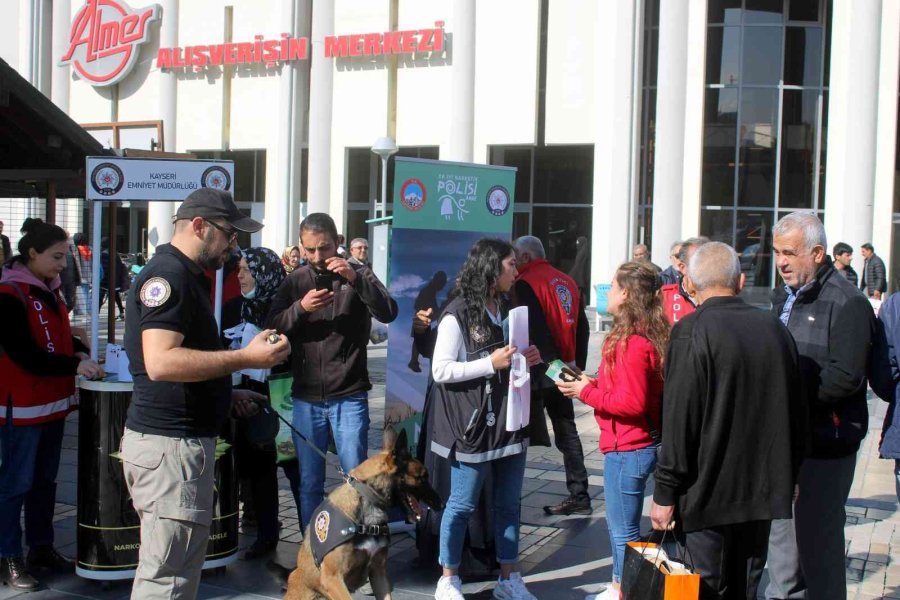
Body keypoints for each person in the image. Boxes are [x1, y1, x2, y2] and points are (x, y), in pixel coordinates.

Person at [121, 188, 290, 599]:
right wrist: (243, 358)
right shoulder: (170, 276)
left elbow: (177, 361)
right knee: (167, 578)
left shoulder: (183, 275)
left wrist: (223, 393)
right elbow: (161, 361)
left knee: (176, 572)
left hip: (177, 446)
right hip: (169, 449)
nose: (234, 246)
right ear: (199, 226)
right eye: (229, 234)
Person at [650, 242, 806, 600]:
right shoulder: (775, 330)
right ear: (740, 280)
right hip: (760, 493)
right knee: (746, 588)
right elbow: (796, 413)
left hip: (706, 496)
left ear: (689, 284)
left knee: (701, 589)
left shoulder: (691, 331)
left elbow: (678, 419)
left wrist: (665, 491)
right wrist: (791, 473)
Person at [765, 212, 874, 600]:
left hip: (825, 446)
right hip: (785, 444)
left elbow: (845, 377)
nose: (781, 262)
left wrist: (786, 400)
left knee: (817, 548)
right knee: (782, 548)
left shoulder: (849, 302)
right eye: (777, 252)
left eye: (789, 253)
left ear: (817, 253)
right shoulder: (784, 296)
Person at [267, 212, 398, 529]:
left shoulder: (358, 272)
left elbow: (388, 310)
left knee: (356, 479)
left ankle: (358, 546)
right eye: (309, 250)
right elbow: (270, 327)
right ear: (301, 246)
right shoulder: (295, 280)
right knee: (310, 482)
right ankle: (312, 550)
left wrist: (355, 280)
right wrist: (301, 308)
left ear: (338, 243)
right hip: (306, 397)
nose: (316, 257)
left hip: (349, 395)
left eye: (324, 248)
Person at [429, 238, 541, 600]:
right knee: (461, 504)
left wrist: (526, 358)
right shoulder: (457, 313)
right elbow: (440, 370)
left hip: (510, 422)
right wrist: (488, 364)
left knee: (509, 503)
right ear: (491, 269)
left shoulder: (507, 306)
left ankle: (509, 578)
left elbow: (508, 362)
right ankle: (448, 578)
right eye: (510, 264)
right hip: (473, 426)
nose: (516, 270)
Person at [0, 219, 104, 591]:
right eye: (57, 257)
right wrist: (74, 363)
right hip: (22, 406)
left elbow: (56, 339)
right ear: (32, 254)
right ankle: (8, 555)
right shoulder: (10, 293)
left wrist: (77, 348)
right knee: (16, 483)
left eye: (65, 256)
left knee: (45, 482)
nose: (64, 264)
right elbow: (25, 354)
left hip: (52, 404)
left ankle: (41, 548)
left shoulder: (49, 289)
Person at [557, 261, 668, 599]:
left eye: (613, 285)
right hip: (633, 444)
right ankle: (621, 585)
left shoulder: (632, 342)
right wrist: (592, 382)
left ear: (626, 294)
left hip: (628, 446)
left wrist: (584, 392)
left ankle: (623, 590)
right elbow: (629, 390)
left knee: (622, 530)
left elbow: (632, 403)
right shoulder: (644, 334)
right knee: (624, 527)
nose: (606, 290)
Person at [228, 246, 301, 560]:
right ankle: (266, 534)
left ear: (264, 273)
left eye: (246, 269)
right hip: (246, 397)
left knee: (295, 470)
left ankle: (315, 537)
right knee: (258, 470)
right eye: (240, 268)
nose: (240, 275)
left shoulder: (283, 309)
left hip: (282, 397)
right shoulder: (234, 308)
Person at [512, 235, 591, 516]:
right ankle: (580, 494)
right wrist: (574, 366)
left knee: (518, 435)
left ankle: (511, 500)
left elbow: (534, 331)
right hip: (563, 368)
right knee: (567, 431)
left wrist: (552, 367)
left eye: (515, 257)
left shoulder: (525, 282)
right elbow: (583, 328)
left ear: (525, 258)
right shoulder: (566, 280)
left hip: (539, 370)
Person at [660, 237, 708, 325]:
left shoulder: (722, 297)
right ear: (683, 267)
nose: (707, 268)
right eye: (700, 262)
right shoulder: (664, 297)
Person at [409, 271, 448, 373]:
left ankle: (414, 361)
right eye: (442, 283)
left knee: (419, 339)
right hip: (421, 318)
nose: (442, 287)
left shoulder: (430, 291)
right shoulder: (428, 291)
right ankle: (413, 361)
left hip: (425, 319)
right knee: (418, 339)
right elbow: (419, 306)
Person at [99, 237, 127, 320]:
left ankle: (96, 314)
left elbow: (103, 268)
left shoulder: (103, 254)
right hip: (115, 280)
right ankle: (121, 312)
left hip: (105, 281)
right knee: (116, 296)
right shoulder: (115, 253)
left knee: (100, 296)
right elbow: (120, 267)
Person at [568, 236, 591, 305]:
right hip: (581, 277)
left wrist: (570, 276)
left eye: (578, 243)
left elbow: (578, 266)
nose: (577, 246)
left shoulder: (582, 254)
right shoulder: (583, 252)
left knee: (581, 293)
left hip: (581, 277)